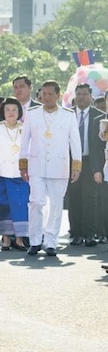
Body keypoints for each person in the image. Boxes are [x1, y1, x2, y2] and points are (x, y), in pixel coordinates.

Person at [19, 81, 82, 257]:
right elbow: (25, 140)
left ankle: (51, 242)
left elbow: (75, 141)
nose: (46, 97)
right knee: (36, 202)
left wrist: (76, 165)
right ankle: (35, 241)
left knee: (56, 205)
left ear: (58, 95)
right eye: (43, 94)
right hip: (37, 165)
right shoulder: (32, 114)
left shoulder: (68, 115)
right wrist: (22, 164)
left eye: (50, 94)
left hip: (59, 166)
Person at [67, 84, 105, 246]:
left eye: (84, 94)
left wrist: (99, 168)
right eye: (78, 94)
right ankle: (76, 233)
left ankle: (89, 234)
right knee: (73, 198)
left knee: (90, 199)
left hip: (90, 162)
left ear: (91, 96)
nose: (81, 97)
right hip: (71, 162)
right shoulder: (67, 115)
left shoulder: (100, 116)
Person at [0, 98, 29, 251]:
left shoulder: (25, 128)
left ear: (19, 111)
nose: (11, 113)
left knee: (20, 204)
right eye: (7, 110)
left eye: (14, 110)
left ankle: (19, 238)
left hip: (20, 173)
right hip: (1, 171)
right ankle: (5, 238)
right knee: (2, 203)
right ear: (2, 112)